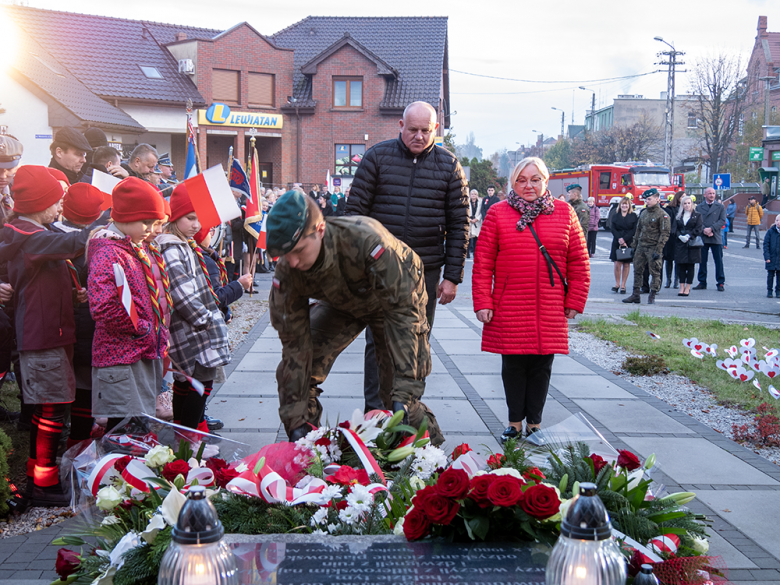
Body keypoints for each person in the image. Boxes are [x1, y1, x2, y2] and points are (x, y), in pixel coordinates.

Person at [267, 191, 444, 444]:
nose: (292, 262)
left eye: (299, 251)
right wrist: (296, 422)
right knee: (296, 374)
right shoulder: (288, 270)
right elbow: (295, 346)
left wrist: (403, 396)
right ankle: (310, 451)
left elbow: (405, 318)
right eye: (285, 255)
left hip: (393, 302)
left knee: (396, 396)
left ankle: (434, 455)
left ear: (320, 230)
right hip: (341, 302)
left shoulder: (368, 241)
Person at [346, 101, 468, 412]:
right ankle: (375, 410)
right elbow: (355, 217)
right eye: (412, 129)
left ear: (435, 130)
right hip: (380, 269)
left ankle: (407, 409)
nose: (418, 136)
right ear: (400, 125)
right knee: (378, 341)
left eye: (425, 131)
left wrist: (452, 276)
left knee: (415, 342)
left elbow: (459, 225)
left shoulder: (449, 166)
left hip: (424, 272)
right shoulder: (377, 157)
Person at [0, 166, 105, 507]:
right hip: (42, 337)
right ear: (38, 203)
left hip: (49, 333)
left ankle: (40, 478)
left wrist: (71, 293)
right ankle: (41, 484)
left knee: (54, 407)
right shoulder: (29, 236)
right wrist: (104, 226)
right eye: (56, 201)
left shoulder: (32, 232)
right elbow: (68, 242)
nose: (60, 207)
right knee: (52, 409)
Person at [472, 157, 590, 442]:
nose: (529, 185)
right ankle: (514, 423)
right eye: (522, 180)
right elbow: (483, 262)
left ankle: (535, 424)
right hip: (510, 303)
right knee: (512, 365)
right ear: (513, 183)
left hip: (549, 303)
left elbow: (578, 259)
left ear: (545, 181)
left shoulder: (565, 213)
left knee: (542, 365)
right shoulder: (498, 213)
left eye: (535, 179)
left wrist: (575, 299)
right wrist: (483, 302)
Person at [88, 178, 168, 433]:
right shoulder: (108, 252)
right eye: (145, 221)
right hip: (120, 354)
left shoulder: (133, 248)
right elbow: (104, 306)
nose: (150, 228)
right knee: (124, 428)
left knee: (139, 424)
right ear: (124, 216)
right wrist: (143, 329)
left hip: (139, 350)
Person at [157, 184, 231, 431]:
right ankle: (188, 439)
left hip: (196, 326)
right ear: (175, 216)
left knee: (188, 384)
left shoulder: (185, 244)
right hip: (193, 329)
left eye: (200, 219)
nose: (197, 225)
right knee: (200, 384)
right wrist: (207, 320)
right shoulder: (172, 246)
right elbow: (181, 291)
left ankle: (185, 438)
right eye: (190, 218)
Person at [50, 183, 107, 450]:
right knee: (85, 387)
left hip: (60, 325)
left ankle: (75, 437)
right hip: (89, 326)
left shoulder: (50, 238)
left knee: (73, 387)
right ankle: (81, 441)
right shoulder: (95, 240)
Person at [622, 188, 670, 304]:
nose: (647, 201)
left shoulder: (662, 215)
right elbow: (638, 230)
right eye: (646, 199)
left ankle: (652, 295)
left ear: (657, 199)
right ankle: (635, 294)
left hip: (653, 247)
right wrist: (634, 246)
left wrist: (658, 250)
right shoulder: (644, 213)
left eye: (649, 199)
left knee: (655, 271)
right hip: (641, 246)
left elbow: (665, 233)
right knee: (637, 270)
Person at [693, 187, 727, 291]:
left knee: (719, 261)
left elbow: (722, 220)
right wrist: (704, 230)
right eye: (709, 193)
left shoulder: (720, 207)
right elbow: (697, 221)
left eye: (713, 193)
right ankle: (702, 282)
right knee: (702, 261)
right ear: (705, 195)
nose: (712, 195)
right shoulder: (699, 207)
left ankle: (720, 282)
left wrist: (711, 229)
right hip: (703, 237)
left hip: (715, 236)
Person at [673, 195, 703, 297]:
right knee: (681, 266)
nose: (687, 205)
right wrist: (680, 236)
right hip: (680, 244)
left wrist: (689, 236)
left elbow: (699, 228)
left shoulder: (697, 215)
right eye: (685, 203)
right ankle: (681, 287)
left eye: (689, 203)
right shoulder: (678, 216)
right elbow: (674, 229)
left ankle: (687, 288)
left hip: (692, 244)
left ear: (692, 204)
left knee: (690, 266)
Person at [609, 196, 637, 294]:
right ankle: (617, 283)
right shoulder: (615, 215)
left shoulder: (633, 216)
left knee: (626, 264)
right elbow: (613, 228)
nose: (624, 206)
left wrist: (624, 239)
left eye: (626, 204)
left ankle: (623, 285)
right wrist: (620, 239)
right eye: (623, 204)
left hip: (628, 241)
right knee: (617, 263)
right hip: (617, 241)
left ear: (629, 206)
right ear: (620, 205)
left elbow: (634, 230)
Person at [663, 192, 683, 289]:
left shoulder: (685, 208)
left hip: (680, 236)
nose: (684, 198)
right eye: (682, 197)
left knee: (678, 259)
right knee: (669, 259)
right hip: (670, 236)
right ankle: (668, 279)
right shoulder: (670, 208)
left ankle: (676, 280)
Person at [763, 214, 780, 298]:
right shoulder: (770, 231)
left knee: (779, 277)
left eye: (779, 221)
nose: (778, 222)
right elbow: (766, 244)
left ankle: (778, 291)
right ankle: (769, 291)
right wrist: (767, 257)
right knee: (770, 275)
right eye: (777, 220)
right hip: (771, 257)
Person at [467, 189, 483, 259]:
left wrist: (477, 219)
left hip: (477, 222)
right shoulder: (467, 202)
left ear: (477, 195)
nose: (473, 195)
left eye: (475, 194)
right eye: (472, 194)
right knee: (468, 239)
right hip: (469, 221)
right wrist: (470, 219)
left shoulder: (480, 202)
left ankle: (474, 253)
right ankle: (467, 254)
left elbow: (482, 212)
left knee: (476, 239)